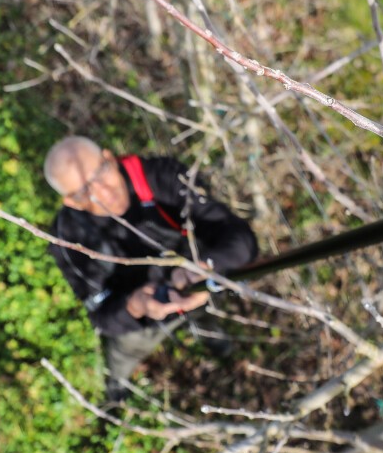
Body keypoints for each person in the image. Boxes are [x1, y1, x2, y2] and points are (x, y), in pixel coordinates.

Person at [43, 136, 258, 403]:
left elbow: (241, 238)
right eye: (83, 191)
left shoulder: (161, 177)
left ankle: (214, 341)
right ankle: (116, 392)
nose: (101, 192)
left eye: (101, 173)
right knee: (125, 351)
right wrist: (136, 306)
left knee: (205, 316)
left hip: (198, 284)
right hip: (141, 319)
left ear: (111, 158)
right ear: (71, 202)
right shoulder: (69, 237)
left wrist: (204, 268)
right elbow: (101, 316)